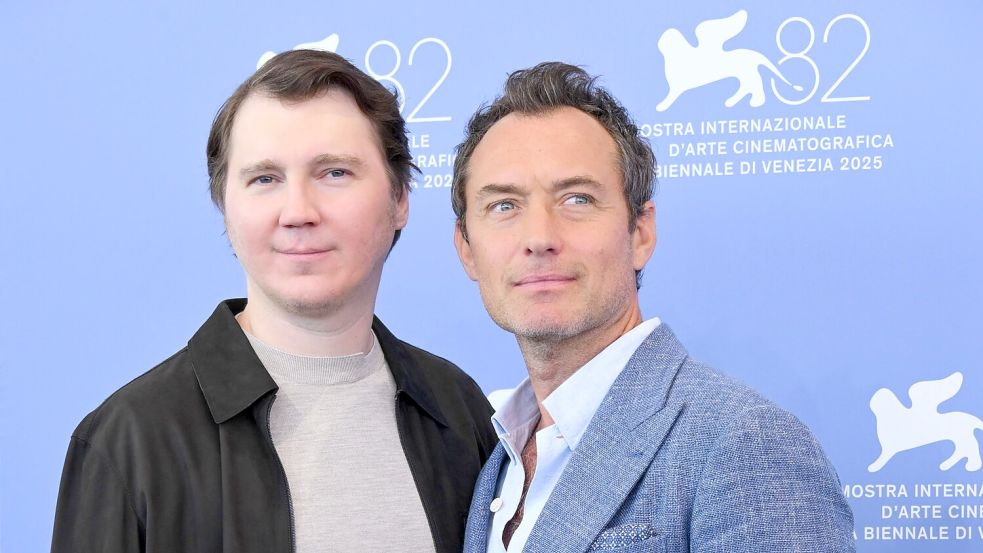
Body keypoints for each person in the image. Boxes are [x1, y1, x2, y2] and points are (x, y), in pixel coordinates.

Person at [51, 49, 498, 553]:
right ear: (226, 207)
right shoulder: (127, 441)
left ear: (400, 199)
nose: (298, 212)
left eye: (334, 173)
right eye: (265, 179)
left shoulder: (461, 412)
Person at [451, 62, 855, 553]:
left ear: (641, 233)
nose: (539, 238)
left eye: (577, 199)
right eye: (504, 206)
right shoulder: (498, 459)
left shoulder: (741, 443)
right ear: (467, 249)